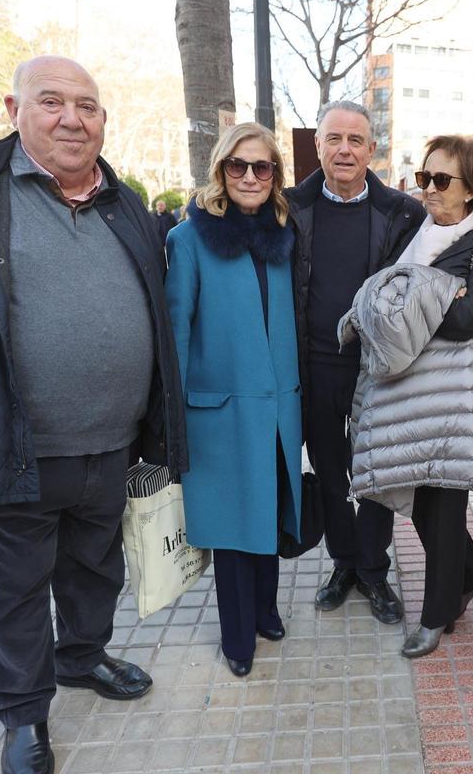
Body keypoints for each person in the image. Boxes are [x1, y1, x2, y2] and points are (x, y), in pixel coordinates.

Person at [0, 56, 188, 774]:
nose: (72, 119)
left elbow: (156, 314)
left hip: (110, 443)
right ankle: (23, 716)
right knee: (16, 585)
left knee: (94, 566)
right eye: (52, 102)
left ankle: (82, 657)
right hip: (8, 444)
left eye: (87, 105)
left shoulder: (124, 198)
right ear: (13, 107)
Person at [344, 135, 473, 658]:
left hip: (450, 403)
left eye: (442, 181)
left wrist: (415, 297)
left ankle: (436, 615)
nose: (429, 190)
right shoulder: (412, 238)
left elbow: (466, 321)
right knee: (418, 502)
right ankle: (471, 575)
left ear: (471, 191)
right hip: (400, 398)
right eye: (424, 178)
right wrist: (438, 292)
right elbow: (381, 302)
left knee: (444, 510)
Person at [166, 122, 300, 678]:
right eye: (237, 166)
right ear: (221, 171)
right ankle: (237, 637)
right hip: (218, 412)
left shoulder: (285, 235)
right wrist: (169, 416)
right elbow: (175, 329)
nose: (249, 176)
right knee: (232, 527)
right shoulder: (190, 238)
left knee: (268, 514)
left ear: (275, 176)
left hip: (278, 407)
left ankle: (266, 610)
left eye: (261, 167)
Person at [285, 101, 424, 625]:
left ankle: (373, 568)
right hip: (315, 366)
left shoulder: (402, 212)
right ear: (317, 146)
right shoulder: (289, 208)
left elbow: (456, 231)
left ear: (372, 149)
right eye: (334, 139)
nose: (344, 149)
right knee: (328, 468)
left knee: (377, 470)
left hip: (379, 368)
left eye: (355, 140)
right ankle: (343, 562)